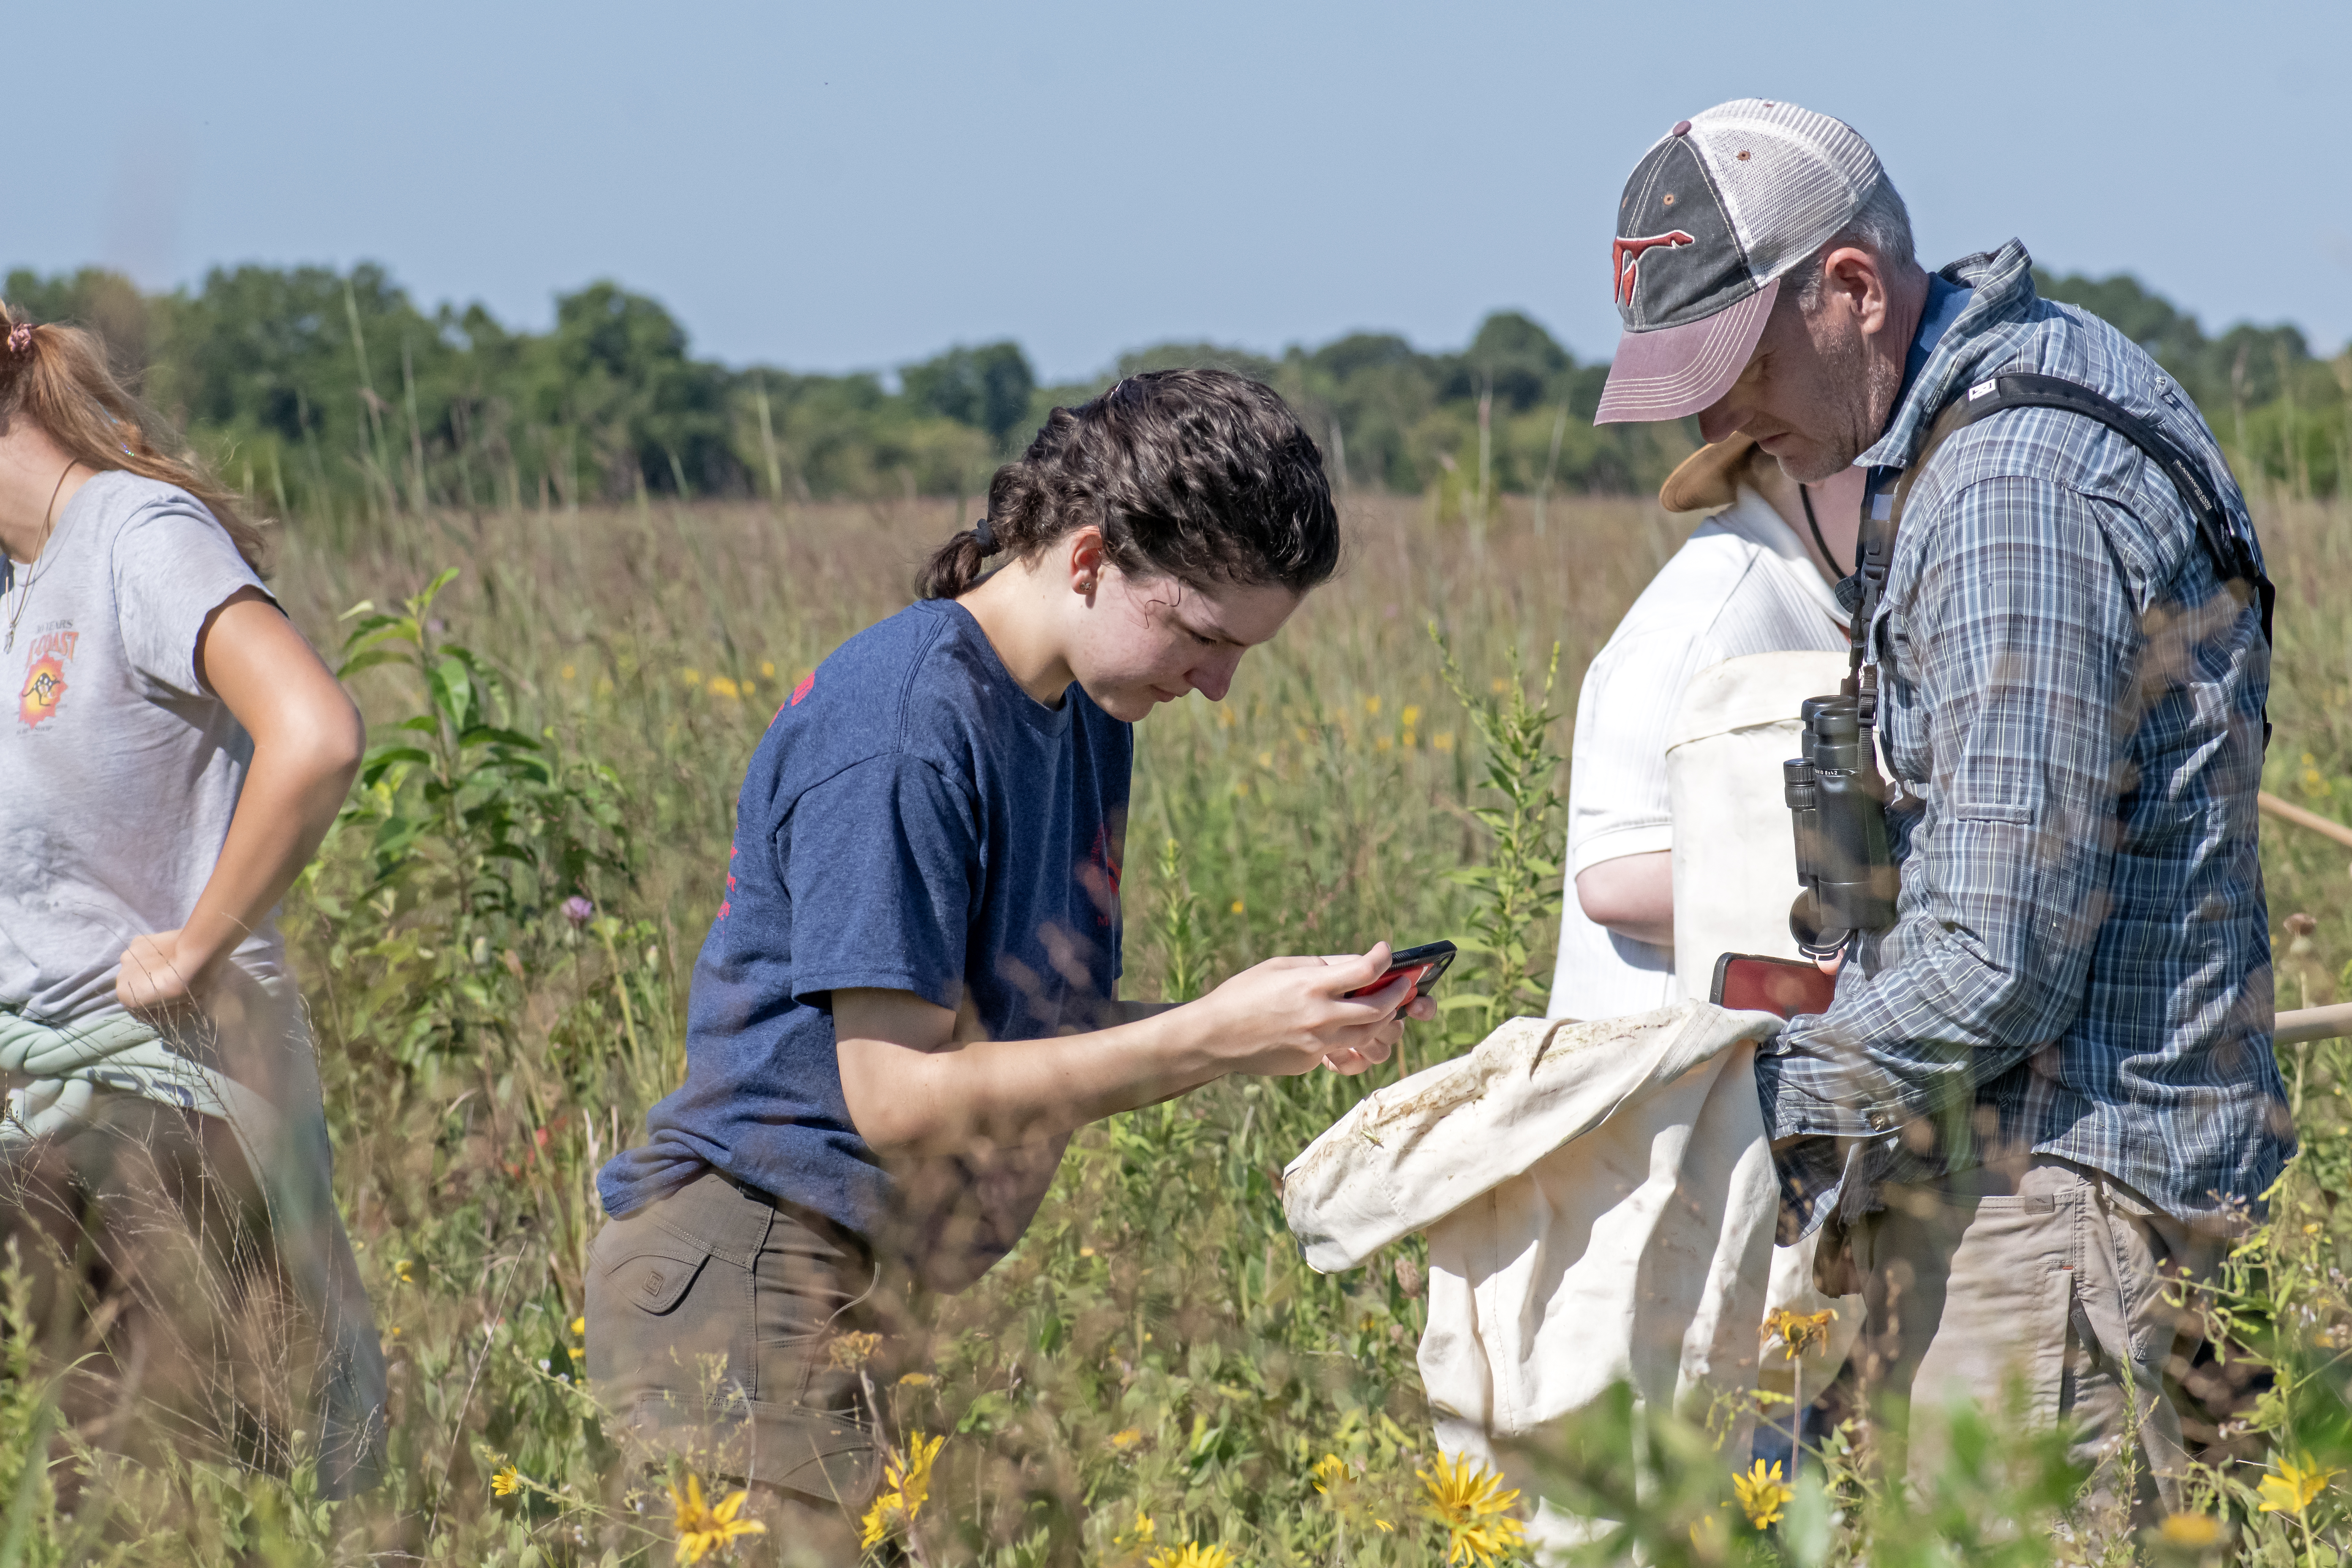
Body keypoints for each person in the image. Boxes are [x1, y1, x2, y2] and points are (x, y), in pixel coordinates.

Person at [589, 369, 1433, 1553]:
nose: (1221, 683)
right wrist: (1209, 1034)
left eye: (1245, 649)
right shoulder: (905, 724)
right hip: (748, 1275)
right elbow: (897, 1094)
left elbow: (1027, 1045)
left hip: (864, 1284)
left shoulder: (1086, 708)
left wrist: (1265, 1029)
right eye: (1201, 634)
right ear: (1088, 558)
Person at [1588, 100, 2286, 1519]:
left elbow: (1994, 957)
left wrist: (1751, 1110)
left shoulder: (2003, 489)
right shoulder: (2018, 394)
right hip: (2088, 1182)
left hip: (2066, 1201)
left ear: (1849, 290)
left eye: (1736, 367)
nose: (1718, 422)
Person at [0, 305, 386, 1493]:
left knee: (177, 1505)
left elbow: (315, 735)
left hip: (156, 1116)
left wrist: (197, 944)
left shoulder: (132, 534)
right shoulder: (11, 596)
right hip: (36, 1132)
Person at [1547, 435, 1862, 1018]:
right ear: (1809, 464)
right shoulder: (1698, 625)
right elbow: (1614, 877)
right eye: (1895, 468)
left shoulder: (1812, 593)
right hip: (1661, 1088)